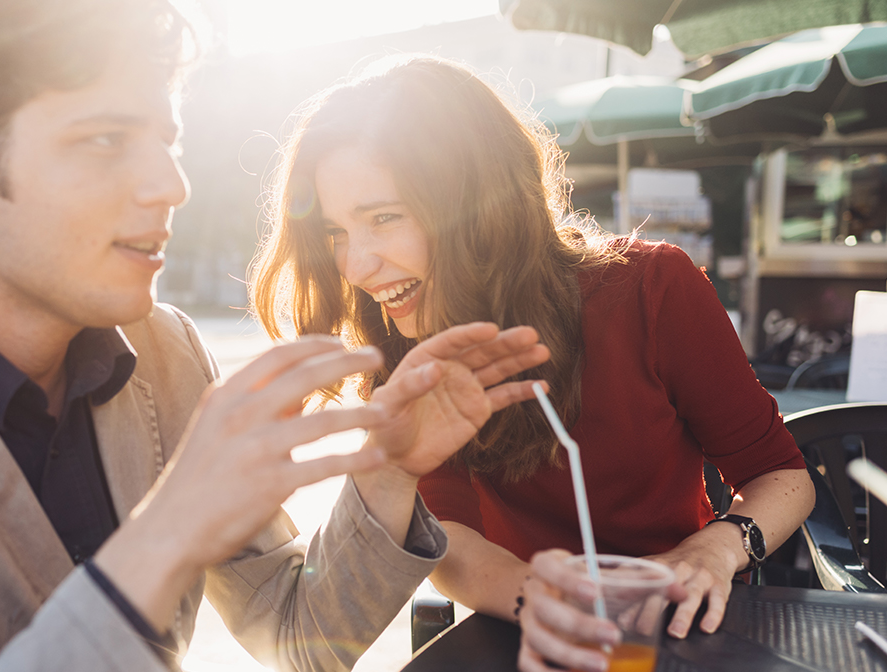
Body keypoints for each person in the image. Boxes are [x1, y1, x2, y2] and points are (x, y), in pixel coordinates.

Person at [0, 7, 552, 672]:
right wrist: (168, 528)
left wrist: (389, 469)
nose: (171, 184)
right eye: (105, 140)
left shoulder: (166, 356)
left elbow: (298, 639)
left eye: (167, 141)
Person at [250, 55, 815, 672]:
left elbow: (783, 474)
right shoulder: (408, 346)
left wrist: (717, 547)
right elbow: (448, 534)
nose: (356, 268)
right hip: (520, 633)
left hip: (680, 627)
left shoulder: (652, 289)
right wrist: (539, 597)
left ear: (480, 202)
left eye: (384, 217)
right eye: (336, 233)